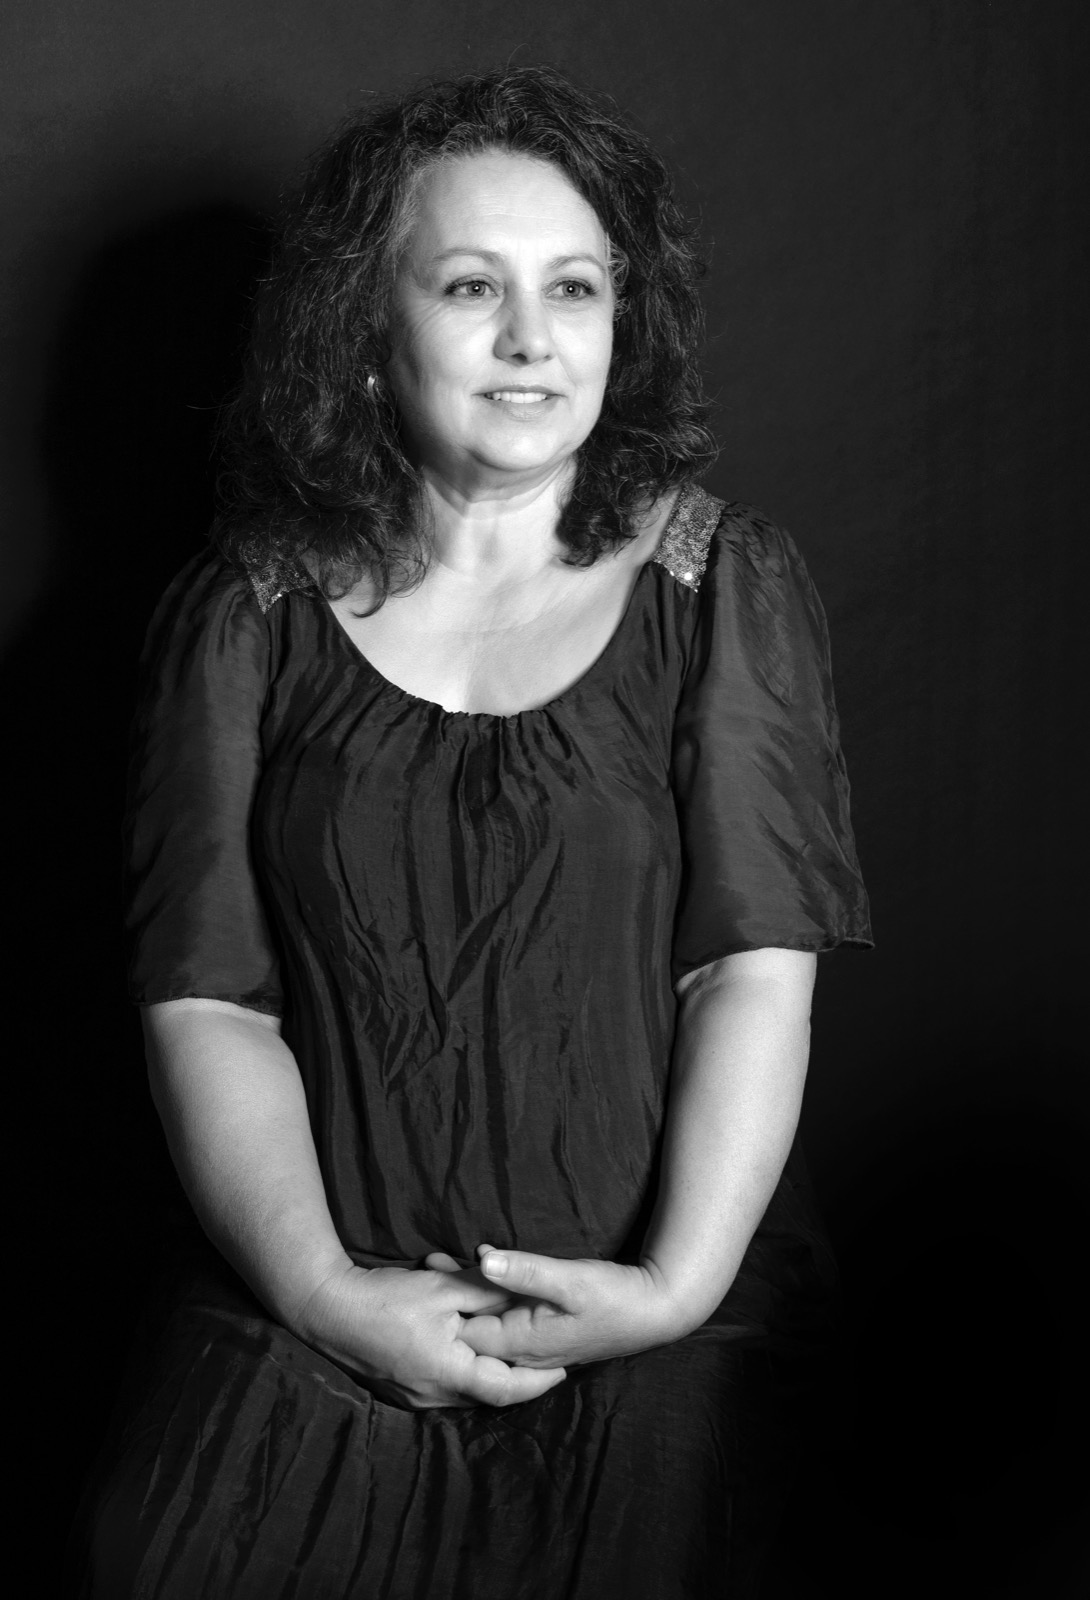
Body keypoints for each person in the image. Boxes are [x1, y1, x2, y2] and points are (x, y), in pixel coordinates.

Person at [76, 64, 871, 1599]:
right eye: (468, 286)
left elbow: (749, 976)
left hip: (653, 1303)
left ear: (621, 323)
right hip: (317, 1305)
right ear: (366, 332)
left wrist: (669, 1290)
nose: (529, 338)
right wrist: (324, 1291)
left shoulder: (722, 587)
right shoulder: (241, 614)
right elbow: (208, 1000)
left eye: (573, 287)